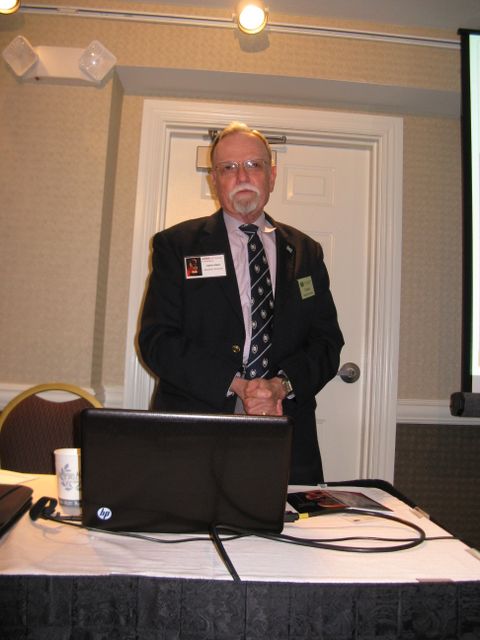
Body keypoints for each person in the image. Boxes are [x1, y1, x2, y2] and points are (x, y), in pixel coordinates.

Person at [138, 121, 344, 484]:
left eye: (254, 164)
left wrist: (281, 385)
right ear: (214, 180)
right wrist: (235, 384)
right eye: (228, 167)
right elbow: (157, 340)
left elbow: (326, 343)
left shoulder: (306, 252)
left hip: (284, 427)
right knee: (191, 516)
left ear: (272, 175)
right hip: (194, 427)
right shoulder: (177, 245)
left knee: (282, 517)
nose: (242, 176)